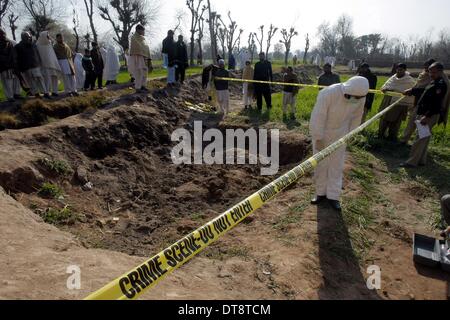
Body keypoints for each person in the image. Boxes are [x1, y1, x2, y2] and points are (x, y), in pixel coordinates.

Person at [309, 76, 370, 211]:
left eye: (358, 98)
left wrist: (351, 134)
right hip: (324, 132)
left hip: (341, 133)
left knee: (336, 165)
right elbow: (318, 116)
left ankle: (333, 196)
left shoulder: (360, 97)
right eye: (350, 96)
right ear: (345, 89)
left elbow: (356, 116)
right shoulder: (328, 93)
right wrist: (318, 137)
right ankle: (320, 193)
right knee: (321, 164)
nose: (354, 99)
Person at [401, 62, 448, 168]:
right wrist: (412, 90)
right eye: (430, 71)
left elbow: (436, 102)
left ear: (441, 72)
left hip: (428, 115)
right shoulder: (434, 81)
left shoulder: (440, 84)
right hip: (424, 113)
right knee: (424, 138)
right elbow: (425, 91)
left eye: (434, 72)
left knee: (419, 139)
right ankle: (421, 160)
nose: (431, 74)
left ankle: (411, 162)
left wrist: (427, 116)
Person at [400, 59, 436, 143]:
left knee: (422, 127)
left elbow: (427, 90)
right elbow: (417, 86)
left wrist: (412, 91)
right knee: (411, 123)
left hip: (426, 106)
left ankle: (419, 145)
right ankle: (404, 140)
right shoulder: (422, 75)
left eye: (428, 66)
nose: (426, 68)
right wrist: (412, 90)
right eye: (425, 66)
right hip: (417, 103)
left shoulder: (434, 78)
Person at [378, 63, 416, 141]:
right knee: (384, 118)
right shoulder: (393, 77)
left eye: (401, 70)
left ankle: (392, 137)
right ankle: (381, 135)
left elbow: (412, 91)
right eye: (397, 69)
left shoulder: (409, 80)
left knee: (395, 121)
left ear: (405, 70)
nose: (398, 71)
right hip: (388, 101)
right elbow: (385, 86)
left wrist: (395, 90)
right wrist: (385, 89)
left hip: (399, 103)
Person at [14, 32, 50, 99]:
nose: (29, 38)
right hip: (26, 67)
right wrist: (19, 68)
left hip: (35, 65)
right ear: (22, 37)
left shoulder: (33, 44)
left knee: (40, 79)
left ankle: (45, 93)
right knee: (31, 81)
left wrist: (39, 63)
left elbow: (37, 54)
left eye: (29, 36)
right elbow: (16, 58)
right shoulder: (18, 47)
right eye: (27, 37)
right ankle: (36, 94)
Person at [35, 31, 61, 97]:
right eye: (47, 36)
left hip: (52, 63)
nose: (48, 37)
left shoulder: (49, 43)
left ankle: (55, 91)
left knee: (55, 77)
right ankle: (46, 92)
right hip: (44, 64)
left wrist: (50, 39)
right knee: (47, 79)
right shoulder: (38, 44)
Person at [129, 24, 152, 93]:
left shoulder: (143, 39)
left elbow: (146, 48)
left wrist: (148, 56)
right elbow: (138, 48)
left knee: (145, 72)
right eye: (143, 30)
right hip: (138, 57)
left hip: (144, 58)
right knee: (138, 73)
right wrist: (144, 52)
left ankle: (143, 86)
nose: (144, 32)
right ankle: (138, 88)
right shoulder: (134, 38)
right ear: (138, 30)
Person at [0, 28, 21, 102]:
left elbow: (13, 53)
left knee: (15, 80)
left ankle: (16, 94)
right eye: (1, 33)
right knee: (7, 82)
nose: (3, 34)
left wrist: (14, 62)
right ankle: (10, 96)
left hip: (12, 65)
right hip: (4, 66)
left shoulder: (9, 42)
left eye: (3, 33)